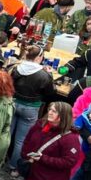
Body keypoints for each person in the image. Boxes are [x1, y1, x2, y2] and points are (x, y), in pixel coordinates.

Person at [8, 45, 55, 173]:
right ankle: (14, 167)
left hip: (13, 103)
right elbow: (50, 93)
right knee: (21, 140)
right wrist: (50, 75)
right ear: (39, 57)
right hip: (31, 108)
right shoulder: (44, 75)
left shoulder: (16, 68)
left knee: (6, 135)